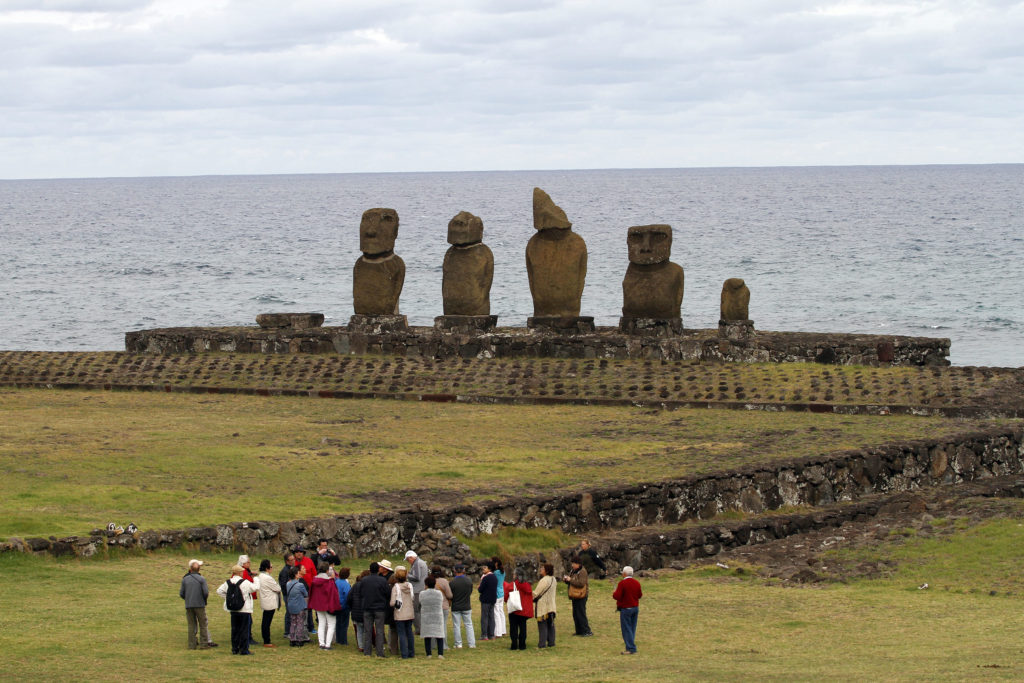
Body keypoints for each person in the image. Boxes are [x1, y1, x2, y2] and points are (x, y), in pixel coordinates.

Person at [216, 564, 257, 655]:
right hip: (244, 609)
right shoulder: (245, 582)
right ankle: (244, 649)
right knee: (244, 630)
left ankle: (235, 648)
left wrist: (229, 599)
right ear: (239, 573)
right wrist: (256, 579)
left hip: (233, 609)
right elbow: (255, 588)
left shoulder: (228, 582)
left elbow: (219, 591)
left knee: (235, 630)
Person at [361, 561, 391, 657]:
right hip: (379, 608)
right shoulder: (382, 580)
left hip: (367, 607)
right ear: (378, 569)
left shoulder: (364, 580)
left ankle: (367, 651)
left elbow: (361, 592)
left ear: (370, 570)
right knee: (379, 631)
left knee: (368, 630)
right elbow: (388, 594)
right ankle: (380, 652)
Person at [179, 559, 211, 650]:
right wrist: (203, 600)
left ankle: (191, 645)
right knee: (203, 625)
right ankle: (204, 644)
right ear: (199, 569)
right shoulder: (202, 579)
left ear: (190, 569)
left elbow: (181, 593)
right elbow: (205, 592)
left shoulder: (185, 579)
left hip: (189, 605)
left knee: (191, 625)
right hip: (200, 604)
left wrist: (188, 599)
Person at [612, 565, 643, 655]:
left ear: (624, 574)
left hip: (626, 609)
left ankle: (631, 648)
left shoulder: (622, 584)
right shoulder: (637, 583)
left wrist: (614, 593)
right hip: (635, 608)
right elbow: (640, 595)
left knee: (626, 629)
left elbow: (617, 596)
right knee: (632, 628)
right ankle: (630, 645)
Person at [309, 562, 341, 650]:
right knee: (331, 624)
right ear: (327, 570)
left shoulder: (314, 580)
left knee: (321, 624)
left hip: (318, 605)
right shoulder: (329, 581)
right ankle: (327, 645)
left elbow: (312, 593)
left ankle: (321, 643)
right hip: (328, 605)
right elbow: (333, 594)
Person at [503, 568, 533, 651]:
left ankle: (514, 645)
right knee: (523, 628)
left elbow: (506, 596)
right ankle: (522, 645)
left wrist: (506, 600)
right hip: (524, 610)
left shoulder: (512, 585)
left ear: (516, 575)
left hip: (514, 609)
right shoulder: (528, 585)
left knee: (513, 628)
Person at [390, 566, 416, 658]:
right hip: (410, 612)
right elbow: (413, 598)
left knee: (401, 634)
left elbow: (392, 602)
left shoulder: (395, 587)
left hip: (400, 613)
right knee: (409, 633)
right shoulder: (410, 586)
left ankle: (404, 654)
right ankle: (411, 652)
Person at [564, 555, 593, 636]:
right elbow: (571, 581)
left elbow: (581, 583)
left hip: (582, 595)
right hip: (575, 595)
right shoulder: (573, 571)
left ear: (579, 564)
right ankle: (579, 631)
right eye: (572, 563)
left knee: (581, 613)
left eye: (574, 563)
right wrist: (567, 580)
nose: (572, 565)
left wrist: (571, 580)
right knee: (575, 613)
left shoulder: (583, 571)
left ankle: (587, 631)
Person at [449, 563, 476, 649]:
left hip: (456, 606)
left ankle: (458, 644)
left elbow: (450, 595)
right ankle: (471, 644)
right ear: (464, 570)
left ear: (455, 571)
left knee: (456, 625)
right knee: (469, 624)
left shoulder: (452, 582)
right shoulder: (469, 581)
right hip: (466, 605)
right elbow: (470, 591)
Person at [257, 559, 282, 648]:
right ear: (267, 568)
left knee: (266, 621)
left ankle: (266, 639)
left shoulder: (261, 576)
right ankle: (267, 641)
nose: (272, 569)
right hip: (269, 602)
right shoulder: (267, 578)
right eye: (271, 567)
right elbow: (277, 588)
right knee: (267, 622)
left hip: (266, 600)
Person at [419, 576, 446, 658]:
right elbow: (441, 602)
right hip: (437, 615)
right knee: (439, 635)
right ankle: (440, 653)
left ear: (426, 584)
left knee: (427, 635)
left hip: (426, 615)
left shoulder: (422, 593)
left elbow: (420, 602)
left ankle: (429, 654)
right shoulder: (439, 593)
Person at [293, 547, 317, 633]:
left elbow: (314, 573)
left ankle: (311, 627)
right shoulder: (293, 562)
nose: (299, 553)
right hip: (296, 589)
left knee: (309, 608)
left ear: (303, 553)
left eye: (300, 552)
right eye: (297, 552)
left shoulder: (309, 561)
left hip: (309, 588)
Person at [533, 563, 557, 649]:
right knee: (550, 624)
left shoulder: (544, 580)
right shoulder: (554, 579)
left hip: (543, 606)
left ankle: (542, 644)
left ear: (546, 570)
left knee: (542, 625)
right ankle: (551, 642)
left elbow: (536, 593)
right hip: (551, 605)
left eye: (542, 569)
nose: (541, 570)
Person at [285, 565, 310, 647]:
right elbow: (305, 594)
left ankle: (292, 639)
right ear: (296, 575)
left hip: (291, 605)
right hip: (299, 605)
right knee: (300, 622)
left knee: (293, 622)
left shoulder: (288, 584)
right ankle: (299, 639)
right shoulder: (300, 585)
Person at [405, 549, 428, 634]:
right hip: (422, 589)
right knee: (421, 610)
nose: (408, 562)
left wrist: (407, 575)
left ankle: (419, 629)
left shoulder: (417, 563)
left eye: (408, 560)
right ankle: (423, 628)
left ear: (411, 558)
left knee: (416, 610)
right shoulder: (422, 562)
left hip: (417, 590)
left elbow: (417, 577)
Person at [431, 566, 454, 649]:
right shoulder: (444, 581)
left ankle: (433, 645)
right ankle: (444, 645)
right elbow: (449, 595)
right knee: (443, 625)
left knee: (433, 625)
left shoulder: (429, 581)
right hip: (443, 606)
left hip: (433, 607)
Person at [238, 554, 258, 646]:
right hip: (245, 598)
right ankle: (247, 637)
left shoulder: (245, 571)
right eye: (248, 562)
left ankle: (246, 636)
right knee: (247, 620)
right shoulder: (244, 572)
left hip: (246, 598)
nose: (249, 563)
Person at [349, 569, 369, 652]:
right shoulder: (368, 587)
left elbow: (349, 598)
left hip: (356, 611)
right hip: (365, 611)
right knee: (366, 630)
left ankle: (361, 646)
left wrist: (352, 607)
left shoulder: (355, 585)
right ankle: (366, 645)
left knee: (359, 630)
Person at [478, 562, 498, 641]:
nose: (483, 569)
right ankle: (491, 634)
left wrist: (479, 587)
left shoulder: (486, 578)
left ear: (489, 569)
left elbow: (480, 589)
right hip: (493, 599)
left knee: (484, 617)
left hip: (485, 599)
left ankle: (484, 635)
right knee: (491, 617)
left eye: (485, 568)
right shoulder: (495, 577)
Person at [278, 553, 295, 638]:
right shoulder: (285, 571)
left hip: (292, 594)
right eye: (291, 560)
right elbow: (283, 584)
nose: (293, 561)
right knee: (289, 612)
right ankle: (287, 631)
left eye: (293, 559)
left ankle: (291, 630)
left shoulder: (292, 568)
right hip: (288, 595)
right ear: (287, 561)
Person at [334, 567, 352, 646]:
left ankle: (338, 639)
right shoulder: (346, 584)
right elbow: (347, 596)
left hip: (336, 605)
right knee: (344, 624)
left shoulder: (336, 582)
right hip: (344, 606)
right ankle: (343, 640)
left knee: (338, 623)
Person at [491, 556, 507, 638]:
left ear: (495, 563)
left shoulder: (495, 573)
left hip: (496, 593)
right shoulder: (503, 572)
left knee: (496, 613)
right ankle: (503, 630)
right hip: (501, 592)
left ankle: (498, 632)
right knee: (501, 612)